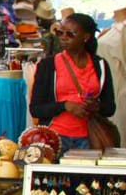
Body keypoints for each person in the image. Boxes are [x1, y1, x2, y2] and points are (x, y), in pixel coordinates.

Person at [29, 13, 116, 153]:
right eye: (59, 32)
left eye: (70, 34)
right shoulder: (48, 65)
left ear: (86, 37)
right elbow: (35, 109)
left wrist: (96, 106)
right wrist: (65, 106)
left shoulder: (100, 65)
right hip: (55, 138)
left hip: (89, 138)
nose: (63, 37)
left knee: (87, 175)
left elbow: (110, 108)